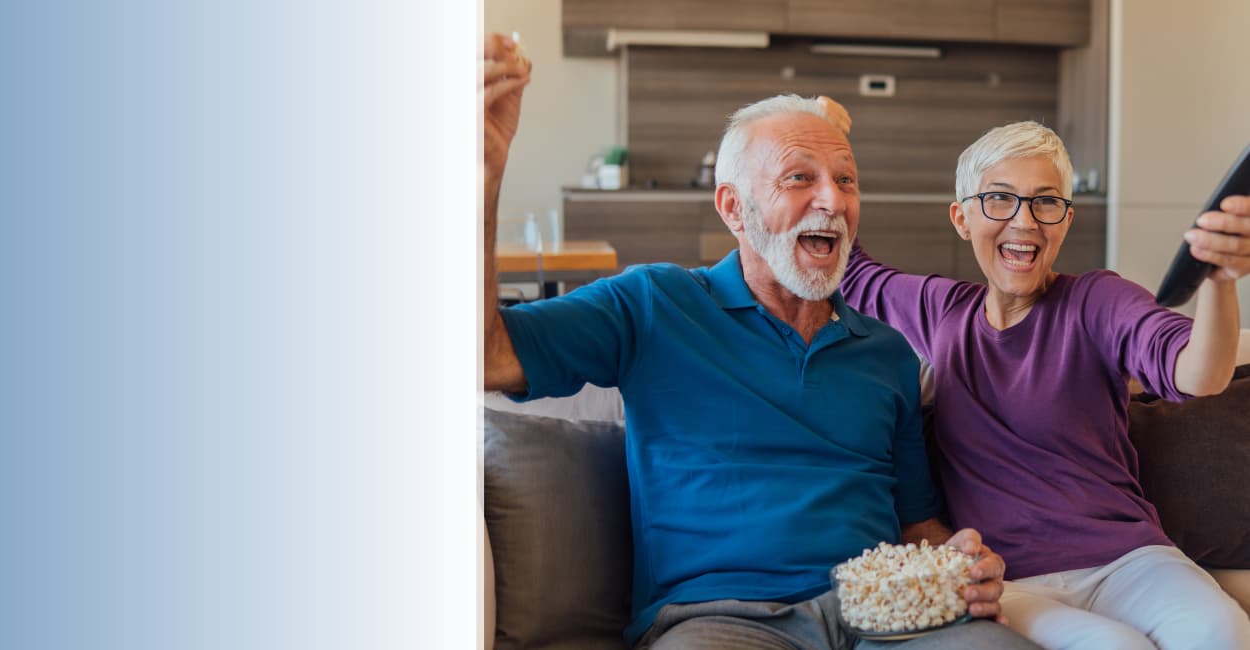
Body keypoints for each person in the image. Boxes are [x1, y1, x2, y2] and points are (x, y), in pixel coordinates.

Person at [481, 33, 1039, 650]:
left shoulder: (886, 354)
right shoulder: (653, 306)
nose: (832, 200)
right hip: (721, 622)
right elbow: (487, 355)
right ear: (734, 209)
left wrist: (958, 557)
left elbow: (916, 524)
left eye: (846, 181)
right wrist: (481, 180)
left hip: (883, 619)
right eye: (800, 177)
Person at [839, 116, 1250, 649]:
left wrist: (1218, 280)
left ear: (1066, 218)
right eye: (1000, 200)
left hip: (1130, 561)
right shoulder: (938, 310)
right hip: (1010, 579)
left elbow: (1199, 376)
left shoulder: (1098, 301)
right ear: (962, 218)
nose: (1025, 221)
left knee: (1223, 631)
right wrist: (824, 131)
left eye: (1045, 201)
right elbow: (848, 265)